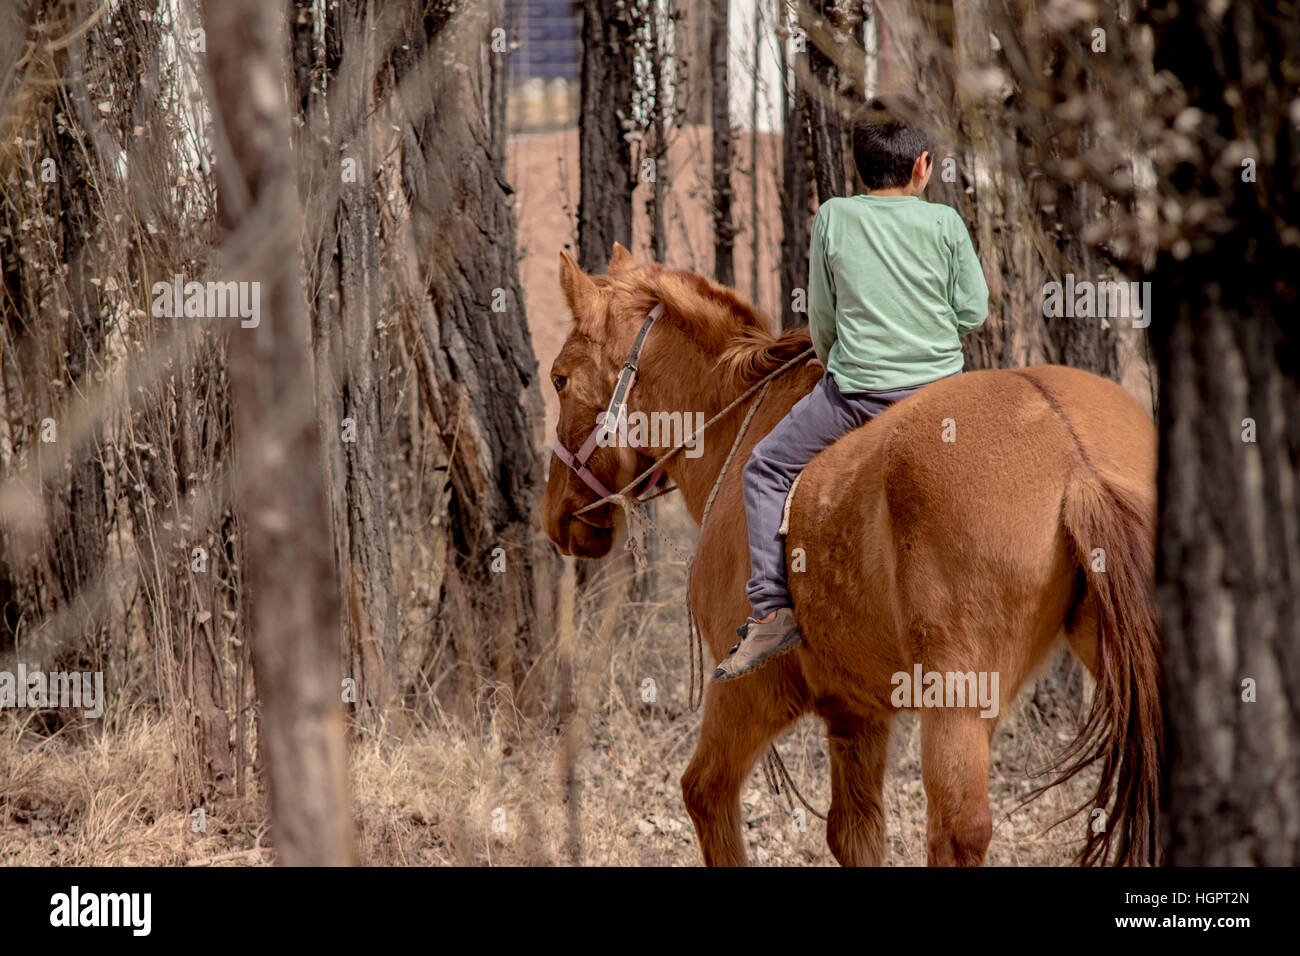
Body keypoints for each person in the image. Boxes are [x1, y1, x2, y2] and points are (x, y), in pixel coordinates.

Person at [713, 95, 989, 682]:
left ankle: (770, 611)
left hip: (857, 399)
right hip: (942, 402)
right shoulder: (944, 222)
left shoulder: (835, 217)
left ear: (857, 163)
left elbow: (823, 324)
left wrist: (845, 357)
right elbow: (974, 309)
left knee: (763, 469)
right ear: (924, 166)